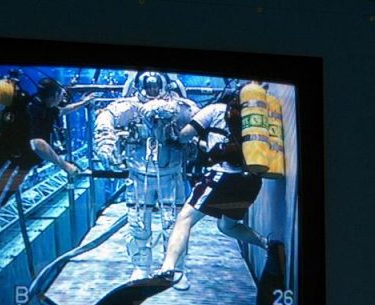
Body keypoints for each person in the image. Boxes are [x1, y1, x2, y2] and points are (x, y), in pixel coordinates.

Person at [156, 89, 270, 291]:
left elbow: (184, 136)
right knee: (227, 226)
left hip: (222, 176)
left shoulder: (214, 109)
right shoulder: (255, 119)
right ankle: (267, 244)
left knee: (184, 219)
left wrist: (171, 134)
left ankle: (168, 268)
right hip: (250, 181)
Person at [94, 72, 198, 283]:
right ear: (139, 86)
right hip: (139, 175)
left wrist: (171, 113)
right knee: (138, 223)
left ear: (164, 85)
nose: (152, 90)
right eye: (148, 86)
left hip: (171, 175)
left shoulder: (179, 106)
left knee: (173, 225)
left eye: (155, 86)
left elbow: (198, 118)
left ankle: (176, 268)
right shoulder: (130, 107)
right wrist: (105, 143)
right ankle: (141, 267)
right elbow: (106, 117)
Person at [0, 77, 93, 228]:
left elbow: (61, 111)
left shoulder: (42, 106)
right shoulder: (33, 112)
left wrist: (83, 102)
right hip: (8, 167)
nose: (63, 99)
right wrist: (66, 166)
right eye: (62, 95)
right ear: (54, 95)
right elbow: (38, 144)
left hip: (16, 167)